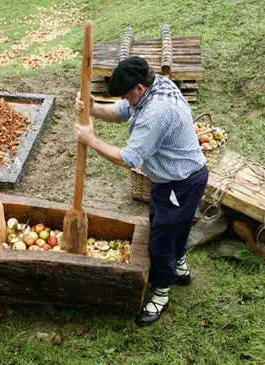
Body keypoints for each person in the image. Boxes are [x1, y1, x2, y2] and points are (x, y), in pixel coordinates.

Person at [73, 56, 208, 326]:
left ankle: (161, 292)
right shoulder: (157, 85)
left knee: (160, 237)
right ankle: (178, 266)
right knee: (174, 226)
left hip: (180, 183)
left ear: (140, 88)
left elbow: (128, 158)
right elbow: (122, 111)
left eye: (126, 94)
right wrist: (93, 107)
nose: (126, 99)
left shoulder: (157, 112)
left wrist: (91, 139)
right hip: (176, 179)